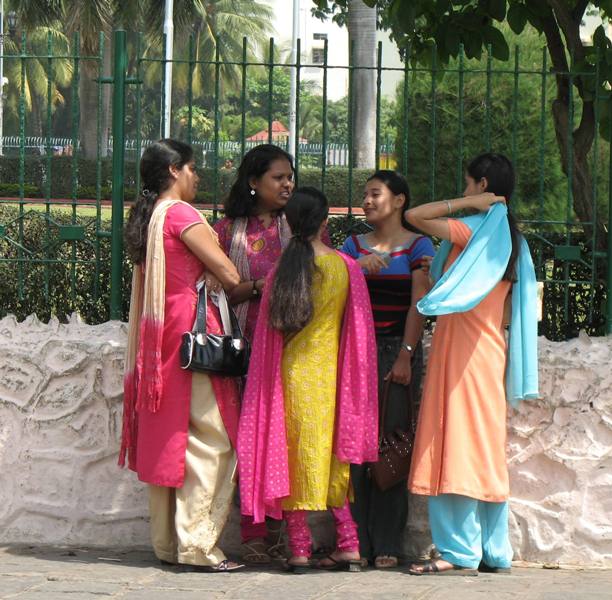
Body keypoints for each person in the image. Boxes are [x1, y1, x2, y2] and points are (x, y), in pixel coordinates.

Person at [405, 153, 538, 576]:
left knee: (452, 439)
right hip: (489, 349)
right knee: (483, 442)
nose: (463, 191)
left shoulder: (473, 230)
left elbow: (414, 215)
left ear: (481, 185)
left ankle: (458, 550)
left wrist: (465, 207)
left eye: (467, 185)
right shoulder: (515, 241)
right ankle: (494, 550)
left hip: (458, 347)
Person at [237, 187, 379, 573]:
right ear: (324, 223)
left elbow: (269, 333)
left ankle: (299, 549)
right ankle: (348, 542)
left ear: (287, 222)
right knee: (334, 456)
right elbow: (360, 332)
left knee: (292, 457)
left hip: (290, 376)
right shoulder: (345, 267)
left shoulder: (281, 270)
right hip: (333, 377)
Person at [119, 139, 244, 572]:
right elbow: (229, 273)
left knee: (171, 435)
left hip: (161, 335)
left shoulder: (149, 216)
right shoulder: (182, 215)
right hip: (194, 335)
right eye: (193, 168)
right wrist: (224, 271)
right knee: (214, 439)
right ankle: (198, 544)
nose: (198, 177)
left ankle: (168, 544)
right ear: (174, 170)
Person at [340, 170, 435, 569]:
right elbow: (335, 292)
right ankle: (357, 542)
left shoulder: (418, 246)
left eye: (375, 194)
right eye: (365, 194)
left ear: (399, 201)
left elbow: (419, 302)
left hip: (398, 349)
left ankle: (388, 543)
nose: (366, 200)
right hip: (354, 354)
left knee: (392, 444)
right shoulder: (351, 246)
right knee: (355, 449)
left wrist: (406, 355)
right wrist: (355, 266)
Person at [212, 143, 295, 563]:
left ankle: (282, 531)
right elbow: (223, 289)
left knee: (283, 440)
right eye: (278, 177)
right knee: (248, 441)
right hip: (242, 349)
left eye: (290, 176)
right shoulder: (228, 231)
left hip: (290, 348)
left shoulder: (300, 226)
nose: (288, 184)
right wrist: (261, 288)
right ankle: (254, 532)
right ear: (253, 182)